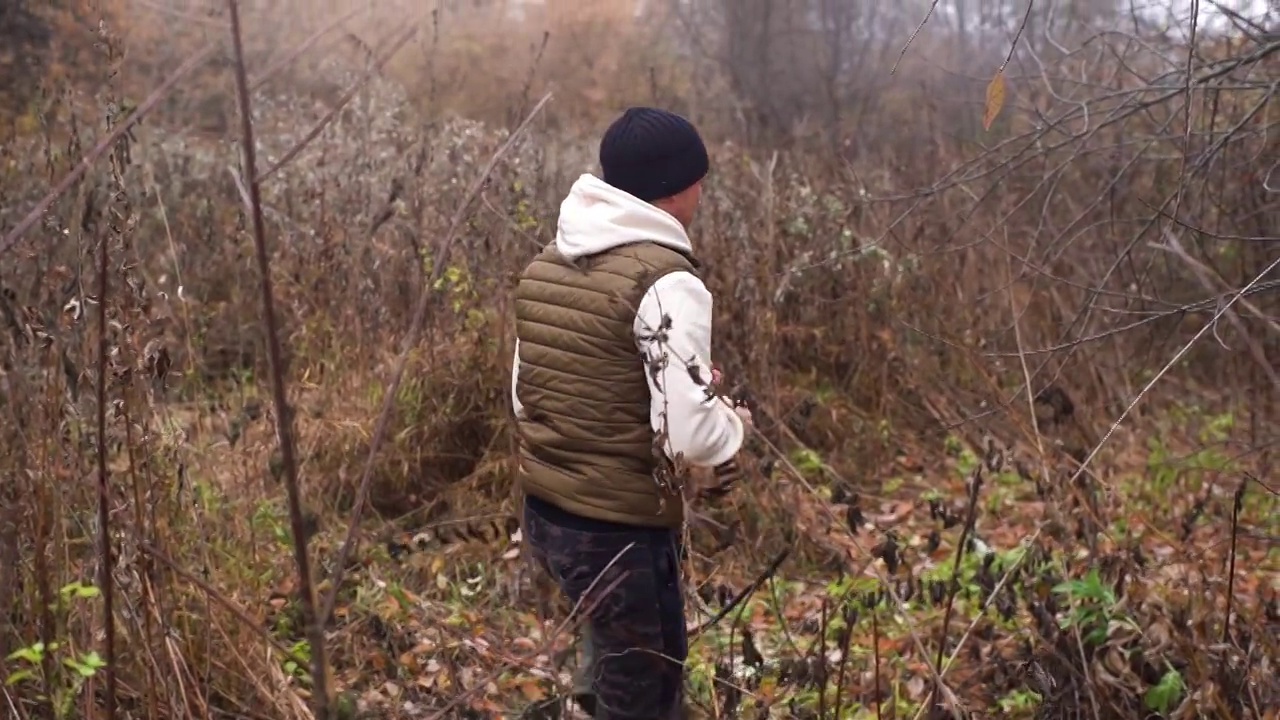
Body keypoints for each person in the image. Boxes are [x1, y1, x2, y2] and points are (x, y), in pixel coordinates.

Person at [510, 107, 751, 720]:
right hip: (620, 533)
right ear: (676, 188)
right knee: (648, 692)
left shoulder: (546, 265)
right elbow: (694, 439)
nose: (703, 190)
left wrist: (668, 392)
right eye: (700, 179)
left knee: (607, 668)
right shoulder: (667, 282)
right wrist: (731, 425)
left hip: (548, 517)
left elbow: (528, 394)